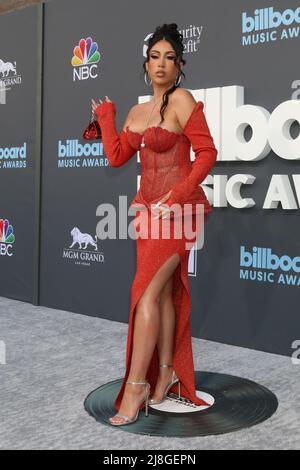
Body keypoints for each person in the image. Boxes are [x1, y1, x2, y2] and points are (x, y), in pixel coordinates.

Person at [91, 23, 218, 426]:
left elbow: (207, 153)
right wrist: (106, 116)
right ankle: (165, 373)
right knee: (160, 297)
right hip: (147, 215)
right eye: (154, 57)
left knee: (144, 294)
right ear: (146, 65)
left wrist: (176, 197)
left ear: (179, 65)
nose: (161, 64)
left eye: (169, 57)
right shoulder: (137, 112)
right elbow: (115, 156)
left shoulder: (182, 100)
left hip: (179, 214)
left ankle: (136, 387)